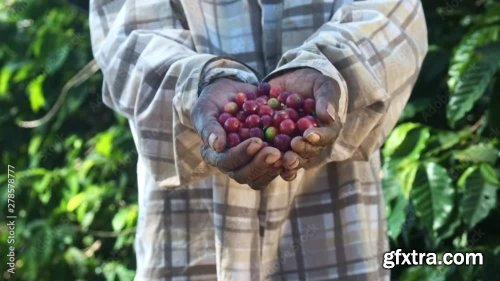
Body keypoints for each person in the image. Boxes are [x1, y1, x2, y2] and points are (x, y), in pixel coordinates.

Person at [89, 0, 427, 280]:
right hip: (195, 233)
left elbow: (395, 15)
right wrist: (198, 85)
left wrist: (332, 70)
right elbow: (128, 41)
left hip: (335, 226)